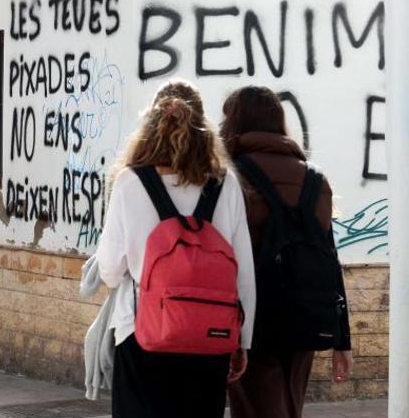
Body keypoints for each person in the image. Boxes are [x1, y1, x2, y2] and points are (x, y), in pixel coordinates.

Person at [96, 80, 256, 418]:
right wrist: (243, 339)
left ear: (150, 125)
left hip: (141, 331)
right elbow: (241, 271)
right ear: (204, 125)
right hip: (209, 333)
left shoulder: (130, 182)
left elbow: (109, 271)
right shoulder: (224, 183)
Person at [221, 86, 352, 418]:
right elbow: (330, 259)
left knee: (254, 409)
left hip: (253, 317)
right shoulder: (315, 180)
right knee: (288, 408)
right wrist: (343, 340)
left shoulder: (230, 176)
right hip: (307, 314)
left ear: (235, 122)